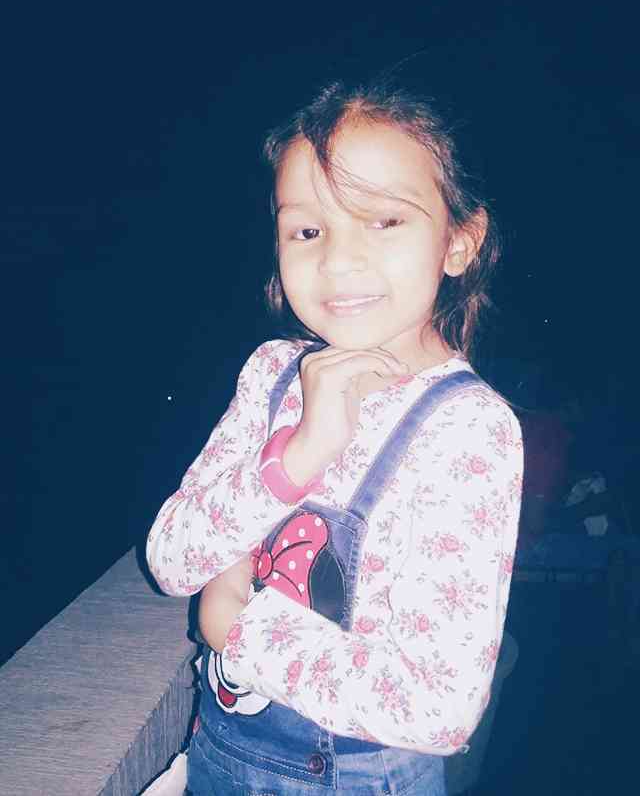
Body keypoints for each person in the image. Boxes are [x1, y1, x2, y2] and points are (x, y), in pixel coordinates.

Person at [146, 76, 523, 796]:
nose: (338, 261)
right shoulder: (272, 375)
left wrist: (237, 625)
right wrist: (297, 457)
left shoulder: (467, 428)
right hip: (217, 751)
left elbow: (438, 710)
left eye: (384, 221)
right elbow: (170, 559)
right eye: (308, 230)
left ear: (459, 241)